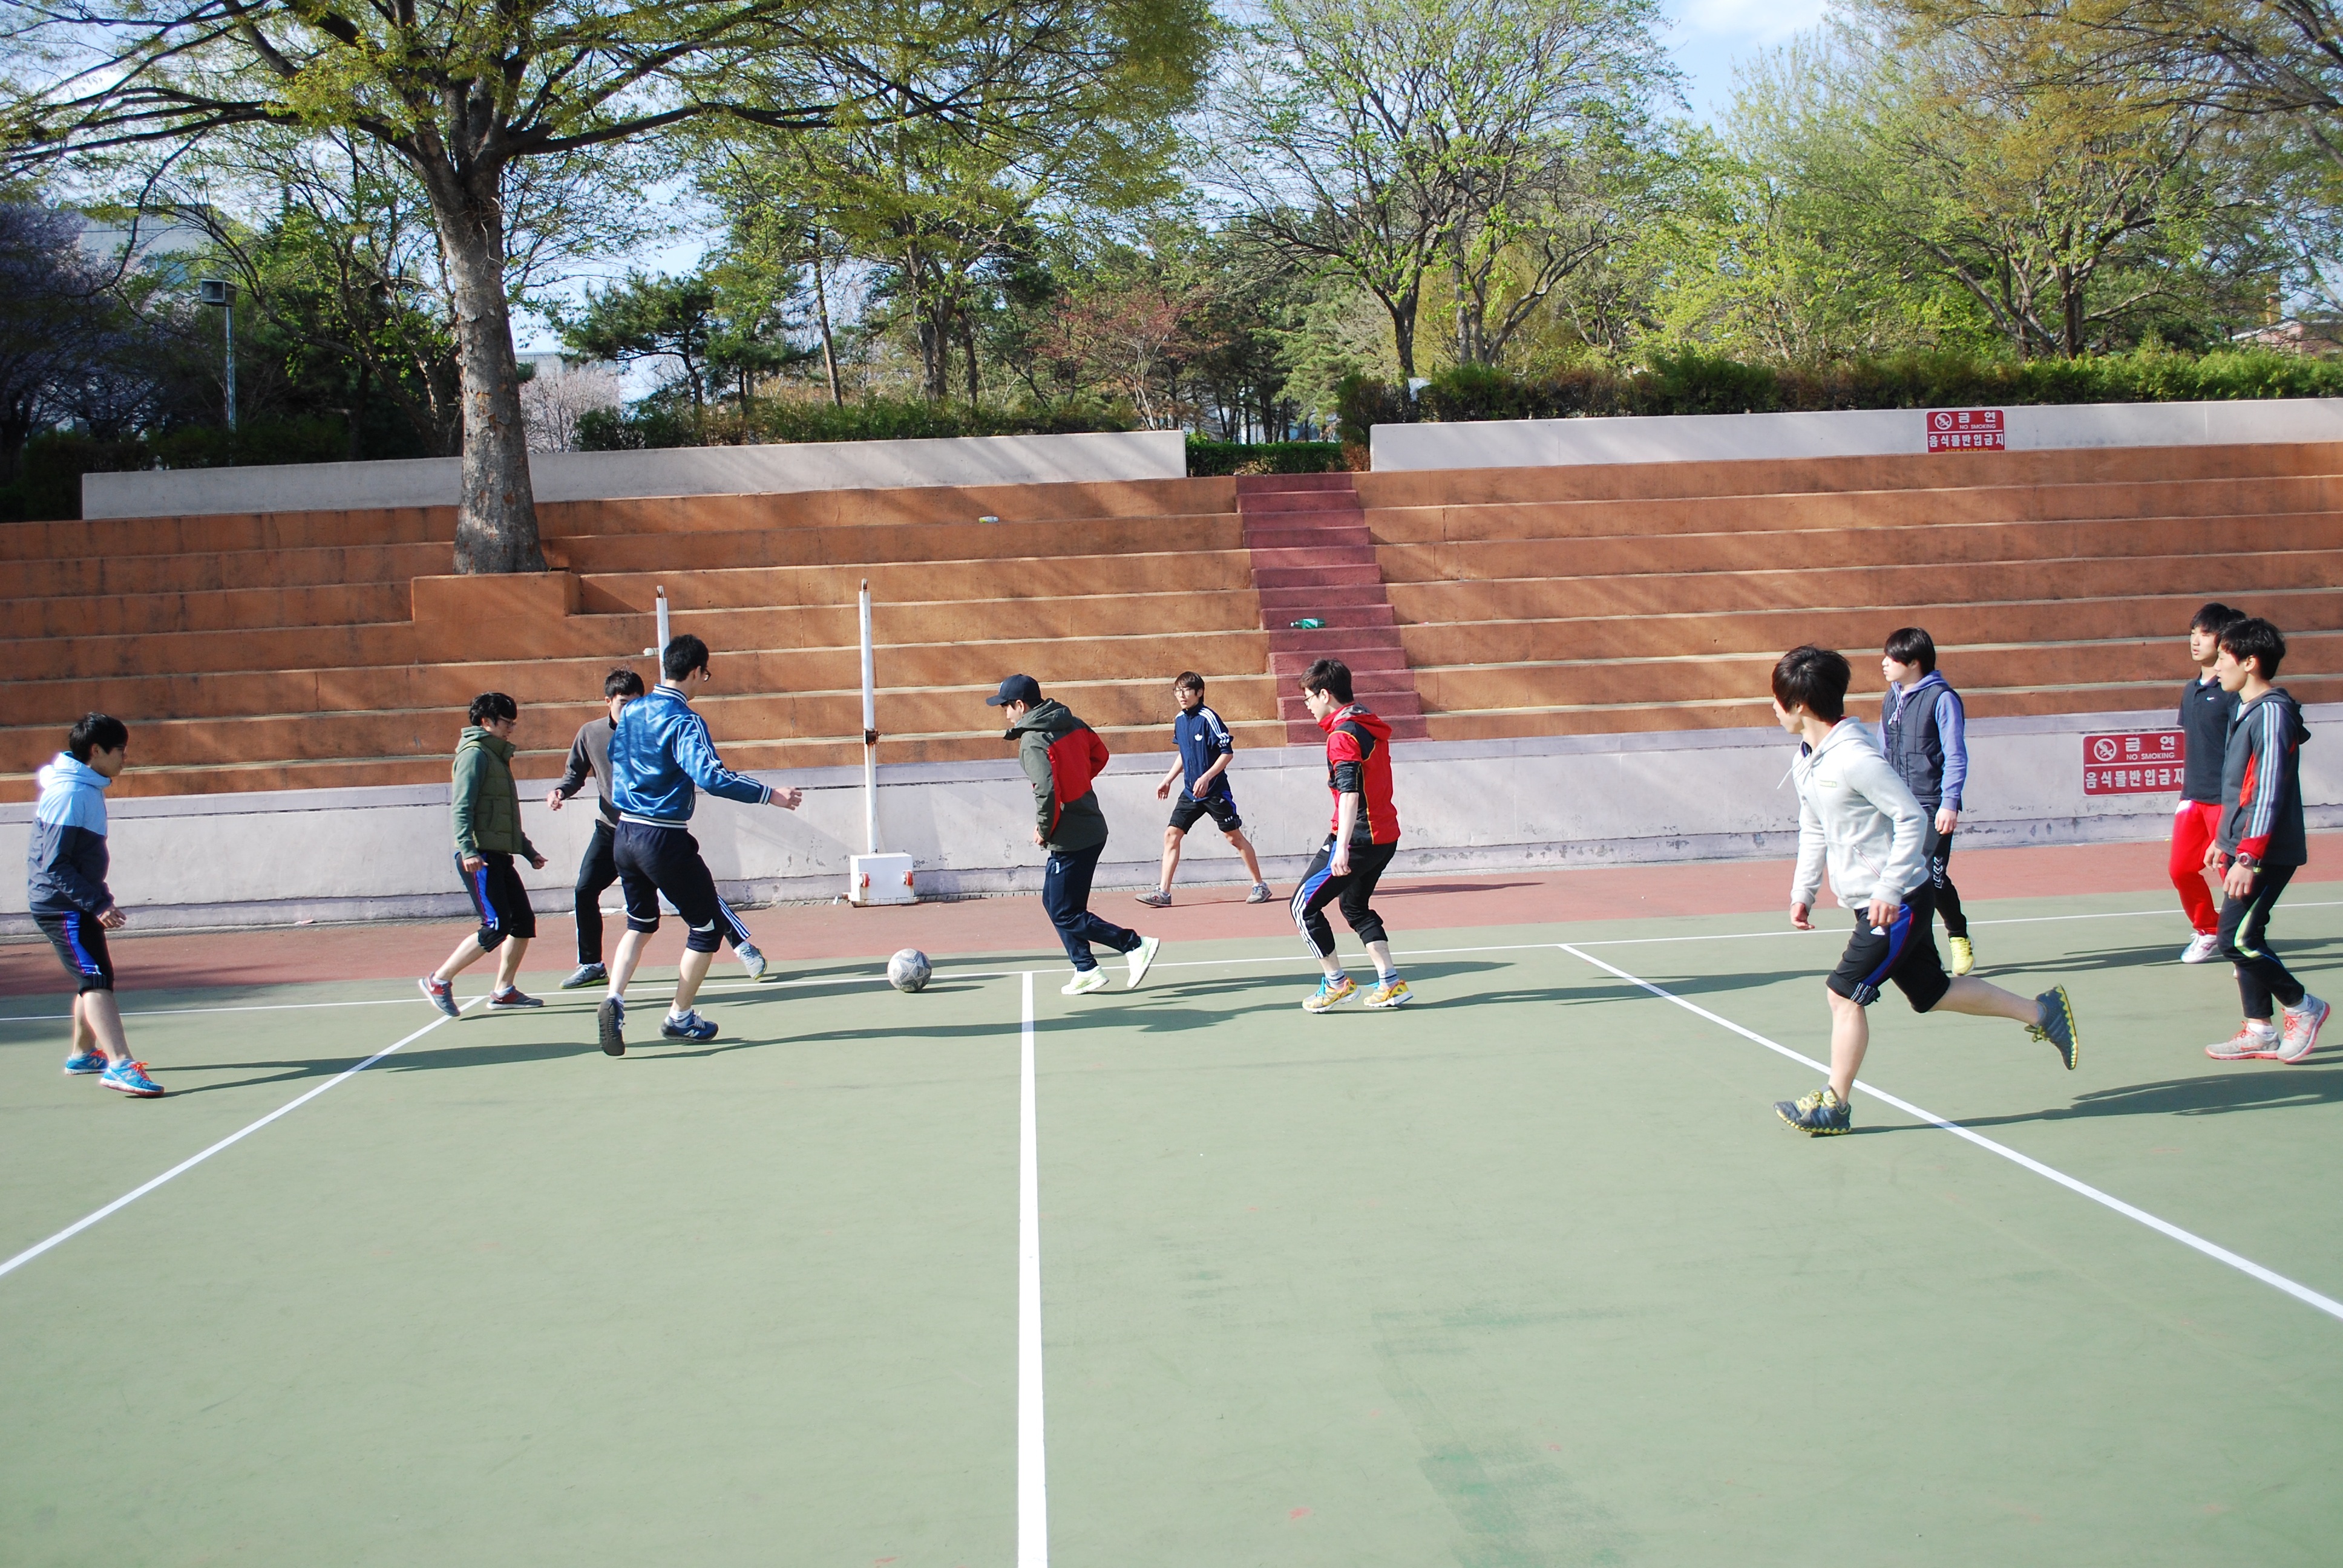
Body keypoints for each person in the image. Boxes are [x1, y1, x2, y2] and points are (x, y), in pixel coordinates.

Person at [1768, 645, 2080, 1136]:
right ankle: (2044, 1012)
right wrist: (1802, 891)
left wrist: (1890, 889)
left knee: (1843, 994)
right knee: (1931, 992)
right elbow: (1814, 827)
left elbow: (1912, 817)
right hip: (1872, 900)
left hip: (1898, 902)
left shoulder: (1855, 758)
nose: (1774, 708)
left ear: (1799, 705)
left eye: (1777, 700)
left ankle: (1836, 1105)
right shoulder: (1808, 759)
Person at [598, 635, 802, 1056]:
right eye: (704, 675)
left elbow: (616, 755)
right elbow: (711, 776)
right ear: (695, 672)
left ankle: (614, 999)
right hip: (662, 838)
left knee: (640, 923)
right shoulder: (685, 720)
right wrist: (771, 795)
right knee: (706, 927)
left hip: (624, 833)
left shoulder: (632, 710)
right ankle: (680, 1016)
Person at [549, 667, 768, 988]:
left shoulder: (654, 725)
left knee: (698, 896)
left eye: (636, 702)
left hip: (654, 831)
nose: (630, 709)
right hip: (614, 831)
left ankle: (741, 946)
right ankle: (592, 964)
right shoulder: (591, 734)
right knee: (587, 890)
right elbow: (574, 774)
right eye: (623, 703)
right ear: (608, 701)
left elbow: (701, 770)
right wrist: (561, 791)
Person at [988, 673, 1159, 995]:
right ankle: (1086, 968)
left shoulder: (1032, 741)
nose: (1005, 713)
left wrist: (1044, 829)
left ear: (1020, 705)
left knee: (1064, 911)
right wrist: (1076, 783)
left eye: (1006, 707)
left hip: (1071, 837)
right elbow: (1100, 755)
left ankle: (1134, 944)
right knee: (1057, 904)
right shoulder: (1072, 722)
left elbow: (1046, 792)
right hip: (1090, 827)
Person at [2202, 618, 2325, 1063]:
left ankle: (2303, 1006)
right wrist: (2224, 840)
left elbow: (2269, 788)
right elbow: (2242, 786)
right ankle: (2259, 1028)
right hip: (2243, 846)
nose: (2216, 667)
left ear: (2250, 662)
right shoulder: (2248, 709)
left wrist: (2248, 856)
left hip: (2266, 851)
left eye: (2223, 658)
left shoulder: (2272, 713)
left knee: (2235, 939)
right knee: (2247, 934)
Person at [27, 713, 162, 1096]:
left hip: (76, 901)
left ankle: (84, 1054)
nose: (125, 758)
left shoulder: (84, 787)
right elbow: (55, 864)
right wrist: (98, 903)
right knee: (95, 978)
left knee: (94, 977)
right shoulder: (70, 794)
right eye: (120, 750)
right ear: (96, 750)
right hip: (61, 905)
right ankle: (120, 1064)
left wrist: (97, 900)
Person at [1291, 658, 1411, 1011]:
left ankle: (1336, 984)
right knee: (1354, 907)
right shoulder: (1366, 722)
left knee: (1302, 907)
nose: (1307, 705)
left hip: (1358, 839)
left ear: (1325, 694)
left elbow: (1349, 792)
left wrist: (1341, 846)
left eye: (1308, 698)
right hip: (1384, 837)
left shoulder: (1343, 735)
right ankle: (1391, 982)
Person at [420, 693, 549, 1018]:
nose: (511, 729)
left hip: (500, 855)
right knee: (496, 925)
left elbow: (505, 816)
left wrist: (528, 851)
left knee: (522, 922)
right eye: (507, 722)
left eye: (513, 723)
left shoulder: (496, 757)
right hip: (480, 856)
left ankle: (504, 990)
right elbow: (462, 807)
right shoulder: (474, 755)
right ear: (486, 722)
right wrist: (468, 849)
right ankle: (439, 980)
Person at [1879, 627, 1974, 974]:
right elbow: (1882, 750)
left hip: (1932, 803)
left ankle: (1958, 934)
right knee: (1906, 877)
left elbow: (1955, 754)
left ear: (1914, 662)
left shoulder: (1942, 698)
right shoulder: (1891, 698)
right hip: (1897, 803)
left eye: (1892, 657)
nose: (1884, 663)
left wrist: (1949, 802)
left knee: (1932, 879)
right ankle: (1920, 952)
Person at [1139, 671, 1271, 907]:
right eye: (1178, 690)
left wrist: (1207, 777)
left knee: (1233, 838)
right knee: (1171, 835)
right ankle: (1163, 893)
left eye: (1186, 690)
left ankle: (1260, 885)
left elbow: (1227, 753)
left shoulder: (1208, 717)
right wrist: (1168, 779)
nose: (1181, 695)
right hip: (1190, 793)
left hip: (1215, 792)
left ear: (1199, 692)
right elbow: (1184, 753)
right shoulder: (1180, 719)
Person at [2172, 603, 2246, 963]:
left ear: (2225, 640)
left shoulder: (2233, 692)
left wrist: (2236, 802)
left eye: (2205, 633)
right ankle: (2209, 929)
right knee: (2181, 869)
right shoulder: (2190, 690)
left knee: (2231, 873)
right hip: (2193, 798)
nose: (2195, 640)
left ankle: (2244, 941)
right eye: (2193, 633)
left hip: (2225, 800)